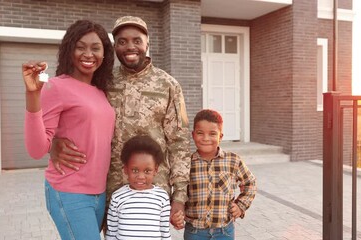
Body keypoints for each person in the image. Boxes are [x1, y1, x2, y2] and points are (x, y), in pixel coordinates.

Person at [48, 16, 190, 229]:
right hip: (108, 189)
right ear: (114, 47)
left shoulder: (169, 85)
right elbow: (72, 112)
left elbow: (179, 143)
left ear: (147, 43)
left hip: (152, 190)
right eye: (122, 41)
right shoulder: (102, 81)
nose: (130, 46)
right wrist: (53, 143)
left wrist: (179, 197)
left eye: (137, 40)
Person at [22, 19, 115, 240]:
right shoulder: (56, 86)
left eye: (95, 47)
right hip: (69, 190)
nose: (88, 54)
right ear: (69, 49)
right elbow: (36, 149)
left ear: (104, 53)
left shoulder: (101, 92)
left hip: (99, 193)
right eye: (80, 46)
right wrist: (33, 95)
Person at [184, 109, 257, 240]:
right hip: (194, 231)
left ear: (220, 136)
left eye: (212, 134)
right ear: (193, 135)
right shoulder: (187, 163)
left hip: (224, 231)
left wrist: (241, 206)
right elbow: (179, 191)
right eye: (200, 133)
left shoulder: (233, 160)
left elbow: (250, 183)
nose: (206, 138)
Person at [105, 135, 172, 239]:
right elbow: (111, 233)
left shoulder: (162, 197)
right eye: (135, 170)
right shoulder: (117, 197)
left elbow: (165, 233)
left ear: (155, 170)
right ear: (126, 169)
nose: (141, 177)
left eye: (147, 171)